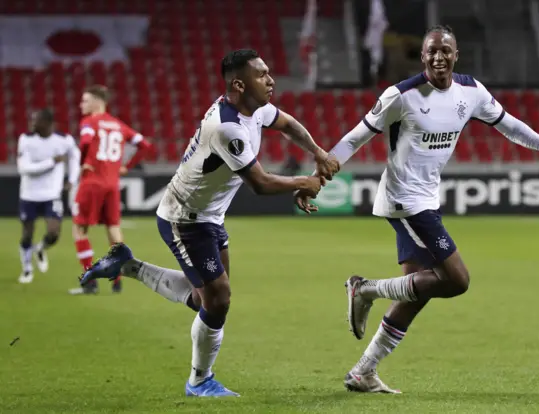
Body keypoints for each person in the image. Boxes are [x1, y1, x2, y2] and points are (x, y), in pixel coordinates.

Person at [295, 25, 539, 394]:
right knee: (458, 280)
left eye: (445, 50)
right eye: (431, 51)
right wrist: (316, 180)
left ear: (456, 54)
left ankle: (363, 371)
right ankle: (365, 289)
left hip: (426, 199)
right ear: (423, 56)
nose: (438, 56)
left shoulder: (471, 92)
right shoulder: (401, 96)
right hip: (405, 201)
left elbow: (508, 124)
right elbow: (356, 137)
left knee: (418, 292)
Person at [76, 49, 340, 397]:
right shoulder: (226, 126)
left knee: (209, 300)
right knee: (218, 299)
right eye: (262, 75)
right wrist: (302, 183)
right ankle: (199, 381)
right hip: (185, 218)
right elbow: (259, 183)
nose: (271, 80)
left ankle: (130, 266)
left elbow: (287, 124)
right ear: (238, 84)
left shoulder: (255, 108)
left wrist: (318, 152)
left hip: (209, 215)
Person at [68, 85, 152, 295]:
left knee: (79, 229)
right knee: (114, 229)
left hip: (92, 181)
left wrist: (82, 162)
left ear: (98, 102)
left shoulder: (89, 122)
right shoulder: (118, 125)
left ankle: (90, 282)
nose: (81, 105)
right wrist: (127, 166)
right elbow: (144, 144)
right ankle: (116, 280)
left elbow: (86, 140)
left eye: (85, 100)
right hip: (112, 184)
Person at [16, 109, 80, 284]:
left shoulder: (63, 140)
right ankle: (27, 268)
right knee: (27, 234)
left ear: (47, 123)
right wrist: (52, 162)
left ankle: (41, 249)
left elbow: (75, 156)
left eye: (36, 120)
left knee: (53, 233)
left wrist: (72, 179)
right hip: (29, 194)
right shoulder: (26, 139)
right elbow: (24, 168)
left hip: (52, 194)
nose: (32, 124)